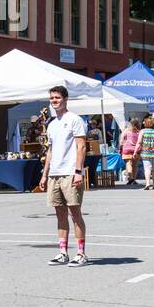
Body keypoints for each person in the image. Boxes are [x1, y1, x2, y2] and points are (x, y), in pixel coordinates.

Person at [41, 85, 88, 266]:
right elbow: (50, 151)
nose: (54, 101)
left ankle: (81, 253)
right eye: (52, 98)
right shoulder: (52, 124)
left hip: (70, 173)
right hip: (55, 174)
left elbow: (81, 147)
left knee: (75, 213)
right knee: (60, 214)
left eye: (57, 98)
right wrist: (45, 174)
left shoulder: (74, 120)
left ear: (65, 99)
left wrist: (78, 171)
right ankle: (62, 252)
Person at [137, 117, 154, 190]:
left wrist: (135, 151)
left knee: (147, 169)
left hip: (145, 153)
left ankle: (147, 183)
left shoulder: (142, 131)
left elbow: (139, 142)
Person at [119, 117, 141, 185]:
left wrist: (120, 147)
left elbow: (121, 141)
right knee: (135, 164)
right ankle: (133, 179)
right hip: (136, 149)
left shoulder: (126, 130)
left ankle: (131, 177)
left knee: (128, 163)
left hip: (126, 148)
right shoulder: (139, 132)